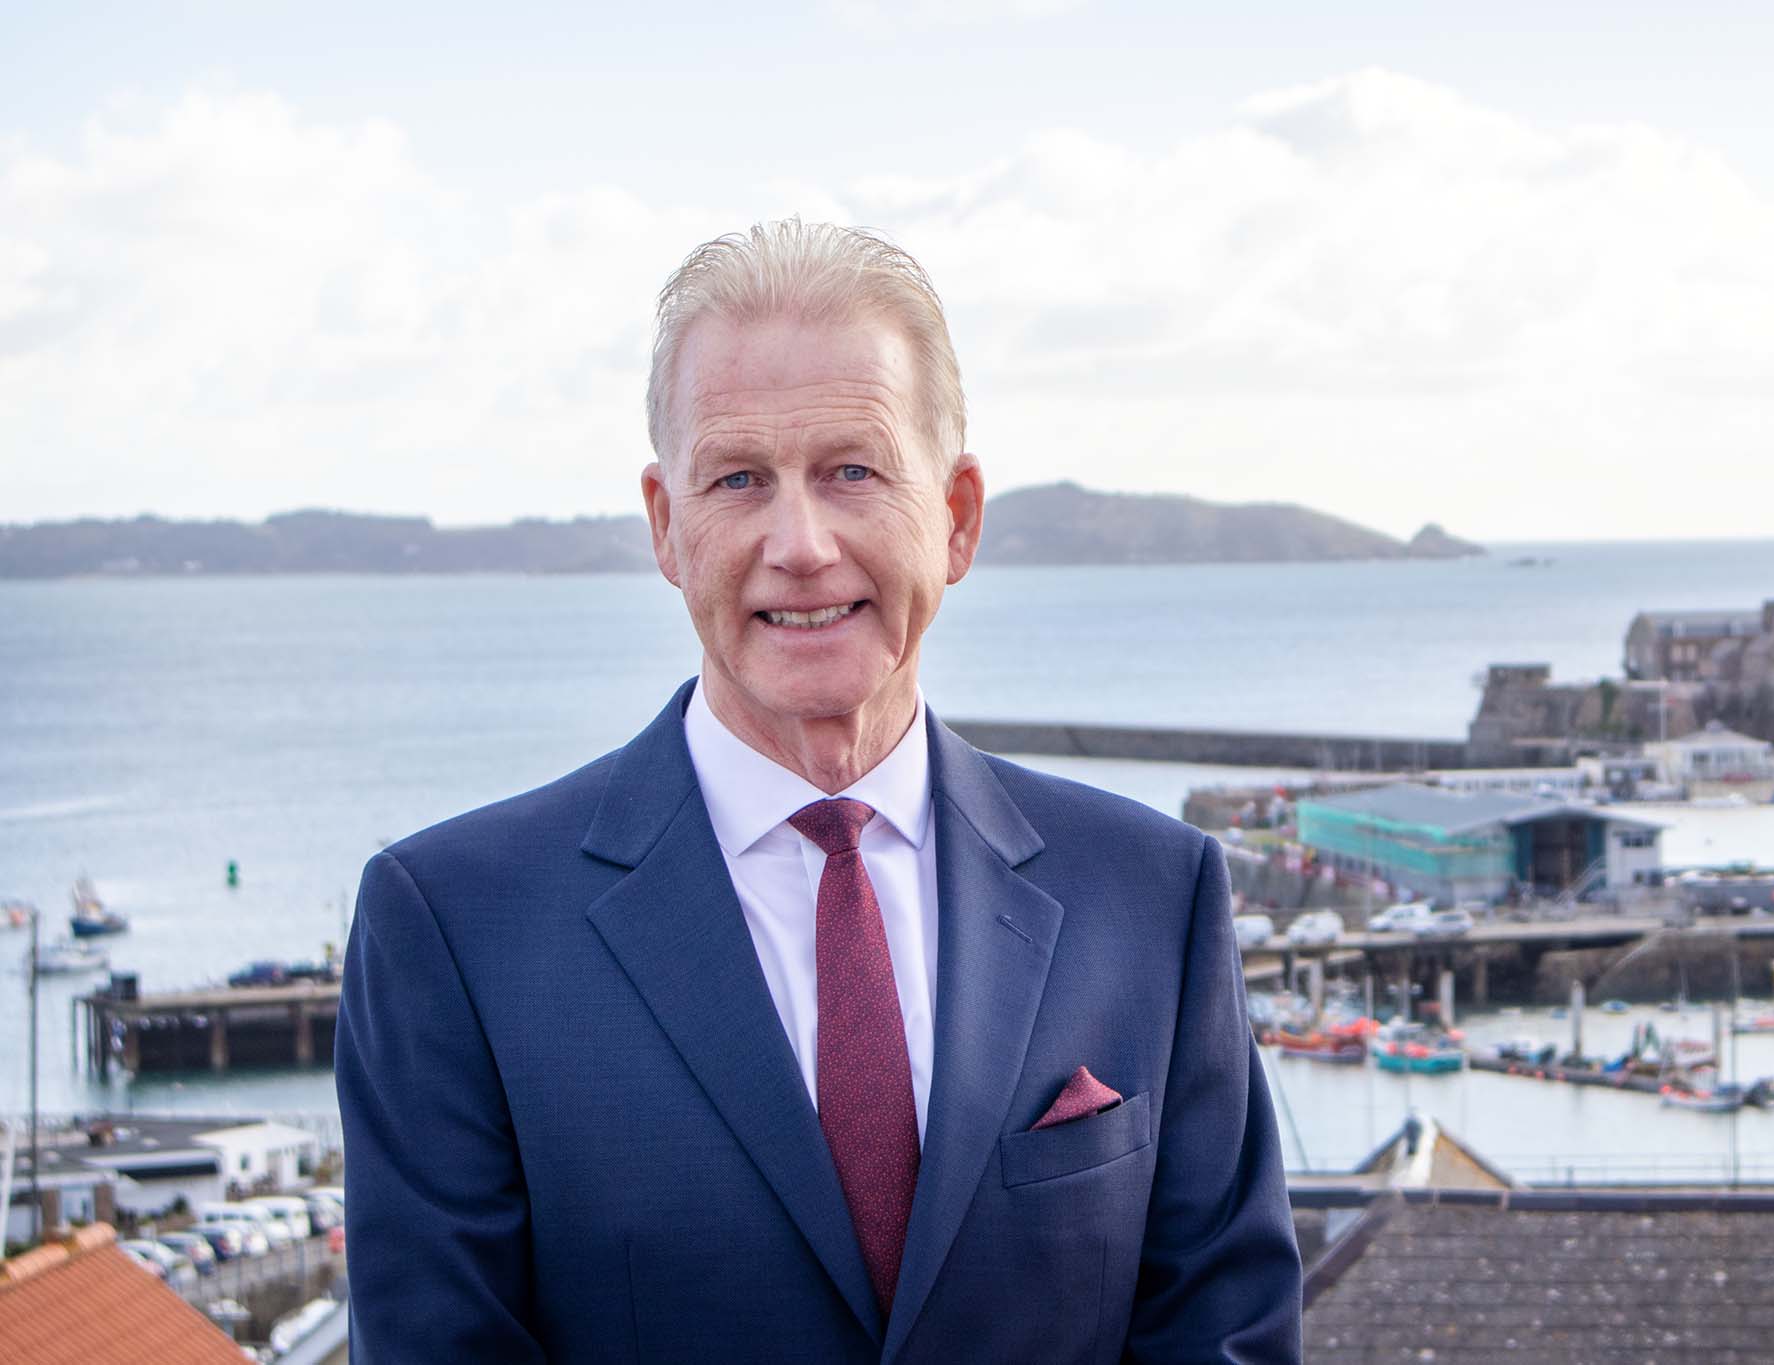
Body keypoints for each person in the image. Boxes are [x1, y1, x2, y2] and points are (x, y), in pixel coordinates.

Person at [336, 219, 1301, 1362]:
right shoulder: (454, 929)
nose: (799, 544)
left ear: (955, 517)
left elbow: (1221, 1336)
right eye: (739, 479)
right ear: (666, 527)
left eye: (852, 470)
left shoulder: (1150, 895)